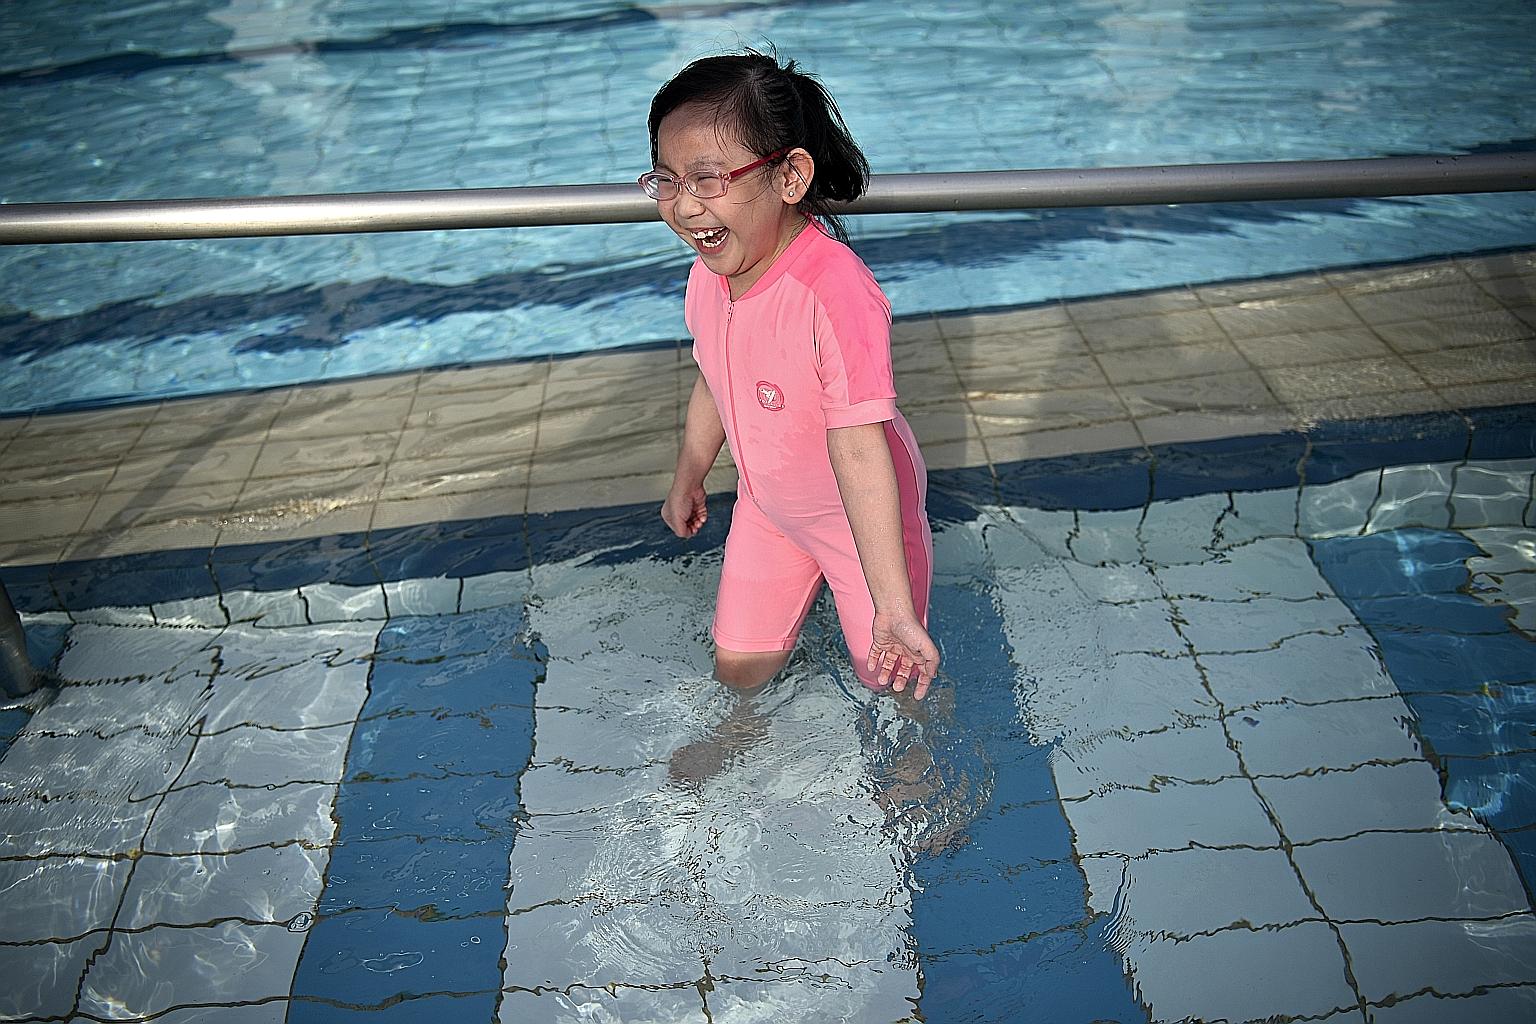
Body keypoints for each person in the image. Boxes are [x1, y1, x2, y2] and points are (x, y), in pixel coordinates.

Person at [643, 50, 940, 700]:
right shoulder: (708, 274)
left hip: (861, 523)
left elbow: (859, 443)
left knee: (894, 683)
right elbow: (717, 377)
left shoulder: (833, 292)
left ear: (789, 177)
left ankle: (916, 785)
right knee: (738, 675)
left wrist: (892, 605)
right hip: (768, 508)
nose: (685, 207)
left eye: (709, 179)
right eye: (666, 180)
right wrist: (689, 472)